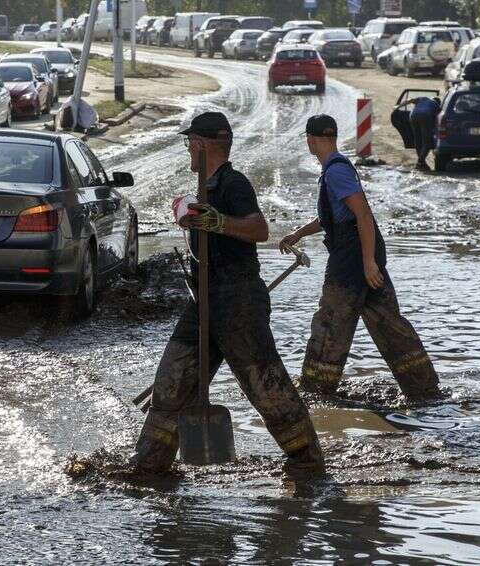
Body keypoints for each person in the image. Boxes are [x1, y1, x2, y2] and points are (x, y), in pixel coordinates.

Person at [132, 111, 324, 472]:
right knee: (172, 381)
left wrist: (218, 222)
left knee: (265, 387)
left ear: (203, 145)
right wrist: (186, 210)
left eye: (190, 144)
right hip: (202, 300)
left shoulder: (234, 184)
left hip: (238, 303)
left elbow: (259, 229)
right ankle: (148, 464)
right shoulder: (206, 188)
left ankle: (308, 461)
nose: (187, 151)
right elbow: (189, 211)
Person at [279, 114, 441, 401]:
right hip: (362, 256)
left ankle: (315, 393)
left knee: (330, 323)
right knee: (389, 324)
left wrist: (367, 263)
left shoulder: (335, 172)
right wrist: (298, 234)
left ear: (311, 140)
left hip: (352, 261)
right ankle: (424, 390)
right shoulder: (336, 168)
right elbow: (332, 217)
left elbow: (363, 215)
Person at [409, 95, 440, 171]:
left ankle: (422, 163)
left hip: (413, 115)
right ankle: (420, 162)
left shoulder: (423, 98)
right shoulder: (436, 104)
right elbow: (436, 120)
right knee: (427, 142)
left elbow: (410, 100)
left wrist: (398, 106)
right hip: (424, 115)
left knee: (418, 140)